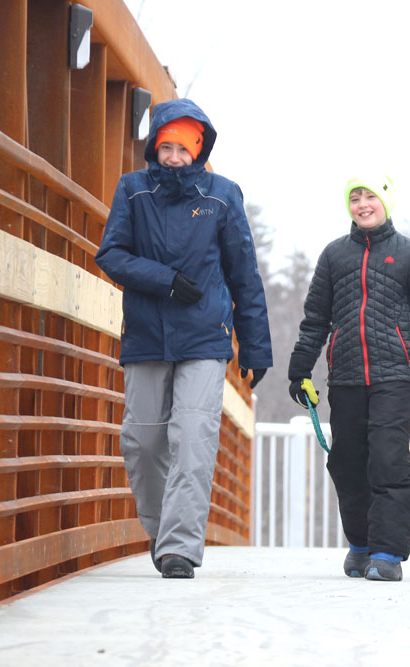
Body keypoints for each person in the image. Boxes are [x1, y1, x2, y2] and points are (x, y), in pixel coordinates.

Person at [96, 98, 272, 579]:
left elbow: (244, 275)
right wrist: (164, 279)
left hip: (205, 338)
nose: (174, 157)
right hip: (147, 335)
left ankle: (178, 549)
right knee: (143, 442)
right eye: (166, 146)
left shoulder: (222, 195)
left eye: (184, 148)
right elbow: (109, 254)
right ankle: (162, 532)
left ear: (199, 150)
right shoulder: (133, 191)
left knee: (193, 437)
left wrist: (255, 346)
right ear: (155, 145)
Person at [288, 173, 410, 582]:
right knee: (347, 463)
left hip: (394, 376)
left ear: (385, 201)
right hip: (347, 376)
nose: (362, 204)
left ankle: (387, 553)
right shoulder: (334, 256)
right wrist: (300, 369)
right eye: (355, 198)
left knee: (388, 461)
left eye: (370, 195)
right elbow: (315, 319)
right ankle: (360, 545)